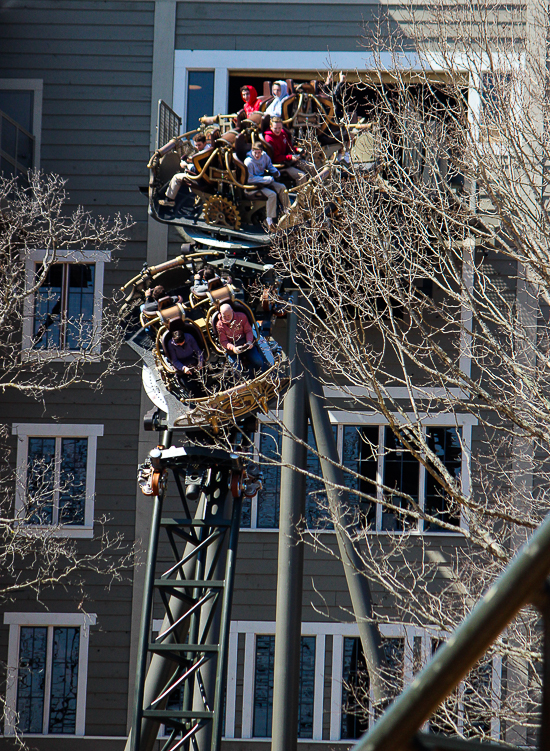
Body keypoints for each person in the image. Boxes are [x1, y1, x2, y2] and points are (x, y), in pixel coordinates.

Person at [244, 142, 289, 231]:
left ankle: (287, 212)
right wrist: (265, 179)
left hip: (265, 181)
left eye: (259, 152)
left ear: (262, 151)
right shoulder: (248, 162)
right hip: (254, 186)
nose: (257, 155)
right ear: (252, 151)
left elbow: (269, 166)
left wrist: (275, 171)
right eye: (255, 152)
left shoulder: (265, 156)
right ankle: (269, 221)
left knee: (282, 187)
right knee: (272, 195)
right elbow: (250, 179)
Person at [159, 133, 210, 207]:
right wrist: (190, 161)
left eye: (199, 145)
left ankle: (170, 200)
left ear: (205, 143)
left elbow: (196, 169)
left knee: (176, 177)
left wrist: (186, 165)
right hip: (204, 177)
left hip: (200, 180)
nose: (197, 147)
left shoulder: (203, 154)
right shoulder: (208, 149)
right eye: (196, 145)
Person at [216, 303, 266, 373]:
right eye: (224, 316)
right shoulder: (219, 325)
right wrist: (233, 348)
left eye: (229, 315)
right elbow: (223, 341)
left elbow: (248, 331)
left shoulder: (242, 317)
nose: (227, 318)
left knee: (259, 361)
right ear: (221, 314)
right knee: (236, 370)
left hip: (245, 343)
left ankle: (256, 373)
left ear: (232, 311)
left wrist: (249, 342)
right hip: (232, 348)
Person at [264, 116, 307, 186]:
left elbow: (289, 147)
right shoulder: (269, 139)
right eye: (275, 128)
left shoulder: (283, 133)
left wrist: (298, 150)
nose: (278, 130)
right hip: (281, 165)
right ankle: (302, 196)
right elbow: (275, 158)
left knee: (311, 167)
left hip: (288, 160)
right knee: (301, 176)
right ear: (271, 127)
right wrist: (290, 157)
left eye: (279, 128)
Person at [165, 329, 205, 396]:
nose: (180, 345)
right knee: (190, 386)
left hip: (192, 359)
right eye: (178, 344)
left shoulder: (189, 337)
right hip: (181, 363)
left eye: (182, 342)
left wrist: (200, 362)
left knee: (204, 379)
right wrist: (183, 368)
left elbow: (198, 351)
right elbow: (174, 360)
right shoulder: (171, 344)